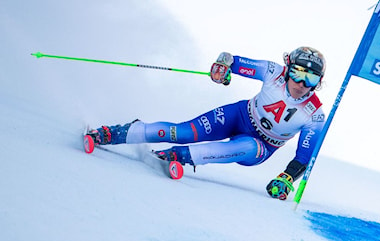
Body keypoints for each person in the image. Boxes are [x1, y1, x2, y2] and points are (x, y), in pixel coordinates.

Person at [86, 46, 327, 200]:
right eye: (297, 72)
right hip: (239, 115)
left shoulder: (314, 114)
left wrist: (286, 178)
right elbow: (231, 59)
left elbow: (305, 156)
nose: (302, 83)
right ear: (287, 69)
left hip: (262, 145)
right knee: (182, 132)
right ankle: (114, 133)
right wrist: (222, 67)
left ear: (319, 81)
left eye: (311, 78)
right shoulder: (272, 71)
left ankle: (180, 156)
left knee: (247, 147)